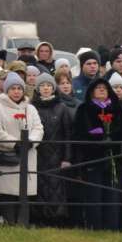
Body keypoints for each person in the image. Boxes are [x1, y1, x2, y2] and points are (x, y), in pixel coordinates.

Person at [71, 77, 122, 230]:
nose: (102, 90)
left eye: (104, 88)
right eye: (98, 88)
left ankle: (112, 227)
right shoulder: (84, 109)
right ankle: (95, 227)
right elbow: (78, 134)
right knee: (94, 195)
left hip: (114, 160)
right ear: (91, 92)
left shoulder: (116, 108)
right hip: (92, 159)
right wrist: (95, 136)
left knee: (112, 195)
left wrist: (112, 137)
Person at [0, 72, 44, 225]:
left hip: (28, 155)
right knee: (8, 195)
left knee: (24, 194)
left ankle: (23, 225)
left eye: (19, 88)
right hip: (9, 158)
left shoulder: (30, 109)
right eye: (13, 88)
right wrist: (15, 143)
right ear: (7, 90)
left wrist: (30, 142)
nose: (16, 91)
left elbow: (38, 128)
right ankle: (9, 224)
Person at [31, 72, 72, 226]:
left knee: (56, 189)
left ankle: (57, 221)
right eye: (42, 86)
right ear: (37, 88)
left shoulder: (62, 107)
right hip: (38, 154)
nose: (46, 88)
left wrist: (67, 158)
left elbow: (68, 134)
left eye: (49, 85)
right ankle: (40, 219)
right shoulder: (32, 107)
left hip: (57, 155)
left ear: (54, 88)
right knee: (40, 188)